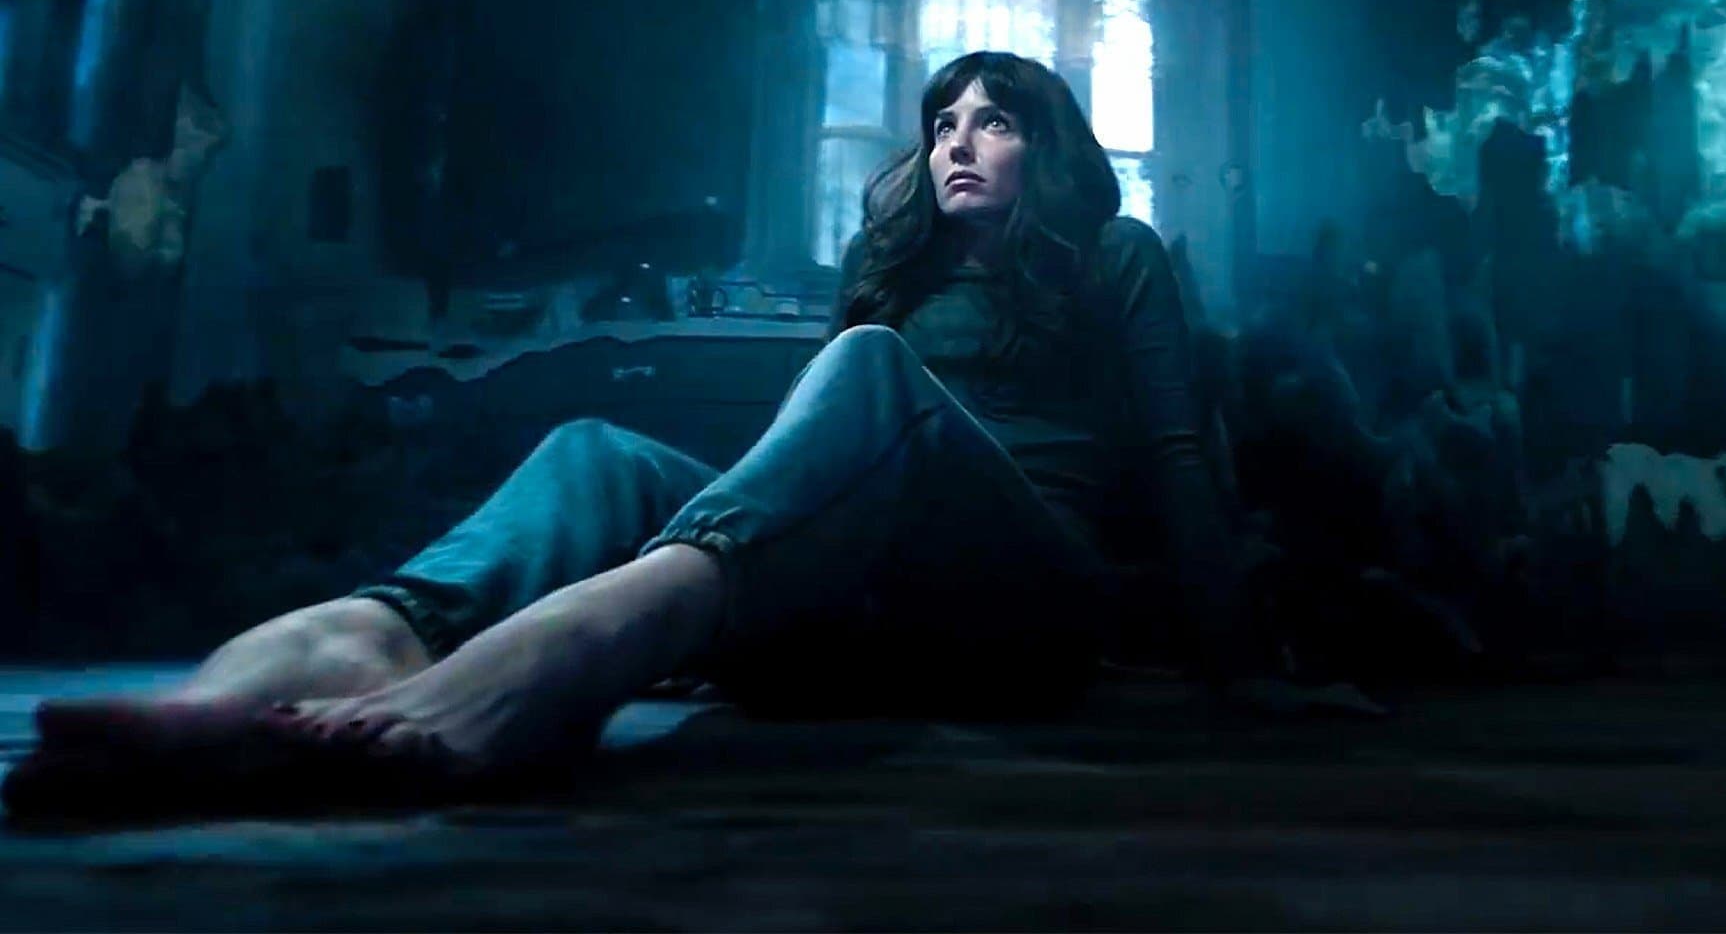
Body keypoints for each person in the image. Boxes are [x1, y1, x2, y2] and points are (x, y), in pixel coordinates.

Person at [5, 51, 1261, 809]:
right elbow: (808, 463)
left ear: (1049, 148)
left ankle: (570, 651)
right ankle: (342, 648)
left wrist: (1233, 664)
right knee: (592, 452)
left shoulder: (1118, 255)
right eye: (942, 125)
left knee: (867, 369)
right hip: (869, 625)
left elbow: (1176, 455)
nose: (955, 146)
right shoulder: (895, 274)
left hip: (1020, 614)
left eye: (993, 121)